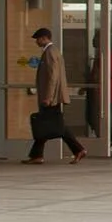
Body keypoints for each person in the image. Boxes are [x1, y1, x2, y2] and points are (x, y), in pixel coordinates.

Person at [27, 26, 86, 163]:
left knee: (54, 125)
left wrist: (49, 96)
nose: (36, 42)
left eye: (37, 39)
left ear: (44, 38)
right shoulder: (52, 51)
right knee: (46, 124)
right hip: (52, 97)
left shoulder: (50, 52)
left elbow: (53, 76)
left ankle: (78, 149)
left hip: (51, 98)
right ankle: (37, 155)